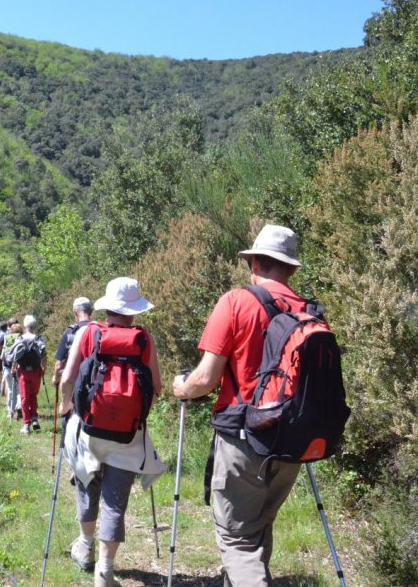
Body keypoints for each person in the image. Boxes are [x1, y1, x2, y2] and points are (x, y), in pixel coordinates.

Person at [172, 224, 307, 587]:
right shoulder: (307, 310)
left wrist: (181, 389)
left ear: (253, 263)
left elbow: (205, 380)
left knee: (236, 537)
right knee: (259, 525)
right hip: (293, 442)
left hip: (245, 439)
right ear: (291, 268)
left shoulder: (236, 301)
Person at [59, 277, 164, 587]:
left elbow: (67, 379)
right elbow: (155, 388)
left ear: (107, 306)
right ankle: (104, 572)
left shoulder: (89, 332)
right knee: (114, 502)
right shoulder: (143, 339)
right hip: (128, 437)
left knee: (86, 486)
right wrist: (135, 415)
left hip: (88, 430)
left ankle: (85, 546)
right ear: (134, 310)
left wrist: (68, 410)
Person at [51, 296, 93, 389]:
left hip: (74, 382)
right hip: (94, 382)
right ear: (91, 311)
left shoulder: (71, 331)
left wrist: (56, 378)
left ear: (75, 312)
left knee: (66, 403)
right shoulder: (99, 329)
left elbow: (59, 365)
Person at [14, 315, 46, 435]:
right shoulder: (38, 339)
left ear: (25, 326)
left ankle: (26, 425)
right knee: (33, 395)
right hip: (36, 371)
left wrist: (13, 368)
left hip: (23, 372)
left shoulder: (20, 338)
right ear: (34, 326)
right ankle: (34, 419)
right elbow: (44, 355)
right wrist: (43, 369)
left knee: (24, 398)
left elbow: (15, 356)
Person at [2, 320, 22, 418]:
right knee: (19, 389)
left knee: (10, 389)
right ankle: (19, 405)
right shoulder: (21, 338)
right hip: (18, 366)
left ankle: (10, 411)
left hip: (6, 366)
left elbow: (3, 354)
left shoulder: (6, 338)